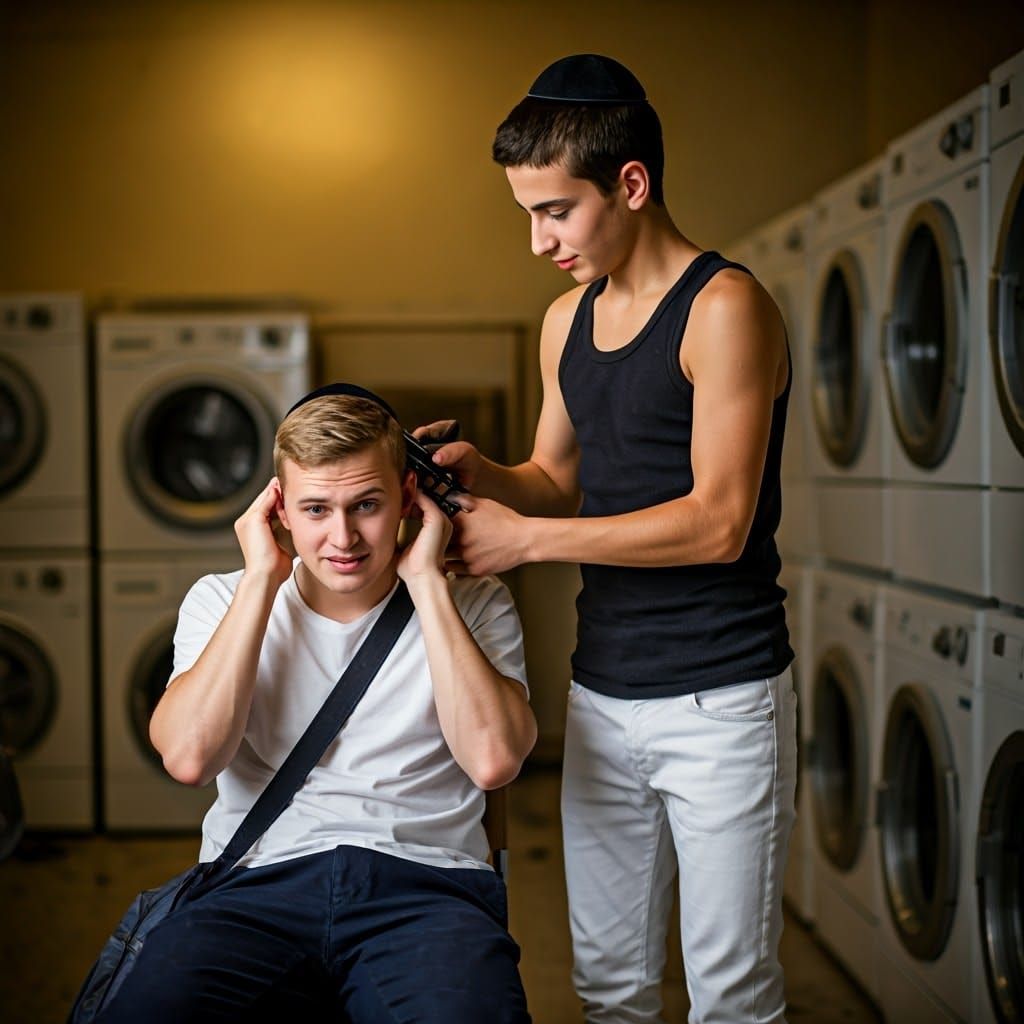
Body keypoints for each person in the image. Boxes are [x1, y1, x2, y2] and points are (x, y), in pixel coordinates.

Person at [421, 54, 797, 1024]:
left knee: (730, 997)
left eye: (554, 211)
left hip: (721, 701)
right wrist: (482, 474)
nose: (537, 239)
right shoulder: (564, 321)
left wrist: (526, 543)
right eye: (526, 214)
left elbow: (720, 523)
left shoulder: (726, 310)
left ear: (629, 184)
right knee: (610, 990)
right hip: (602, 696)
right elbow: (551, 480)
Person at [96, 386, 536, 1023]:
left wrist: (427, 583)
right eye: (316, 509)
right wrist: (259, 582)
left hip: (425, 891)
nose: (343, 537)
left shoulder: (475, 603)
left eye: (366, 505)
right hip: (252, 884)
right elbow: (191, 759)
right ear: (280, 509)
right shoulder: (221, 599)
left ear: (408, 499)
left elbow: (494, 761)